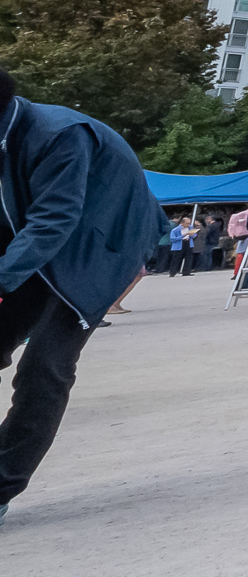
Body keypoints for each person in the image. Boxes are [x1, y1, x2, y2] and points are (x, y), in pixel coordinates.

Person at [0, 67, 167, 529]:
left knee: (45, 366)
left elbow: (55, 219)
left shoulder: (59, 135)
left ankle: (2, 484)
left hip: (99, 247)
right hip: (31, 246)